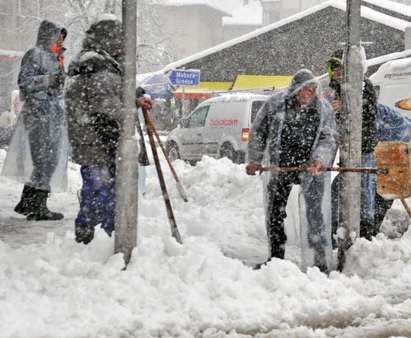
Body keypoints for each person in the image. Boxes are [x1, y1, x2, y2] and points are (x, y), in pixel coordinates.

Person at [65, 18, 152, 244]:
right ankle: (102, 236)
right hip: (100, 142)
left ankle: (89, 233)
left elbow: (108, 97)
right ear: (110, 40)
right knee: (103, 191)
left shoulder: (95, 64)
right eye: (120, 40)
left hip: (91, 140)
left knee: (96, 189)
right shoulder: (99, 67)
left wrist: (133, 96)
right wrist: (122, 135)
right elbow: (107, 108)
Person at [246, 69, 337, 272]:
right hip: (280, 167)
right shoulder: (275, 105)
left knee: (315, 214)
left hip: (311, 168)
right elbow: (259, 132)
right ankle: (276, 258)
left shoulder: (322, 109)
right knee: (275, 213)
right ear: (295, 90)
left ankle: (319, 260)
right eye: (305, 90)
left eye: (313, 90)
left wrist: (319, 160)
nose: (309, 94)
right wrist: (254, 159)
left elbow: (328, 138)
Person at [5, 20, 67, 221]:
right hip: (38, 115)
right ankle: (37, 206)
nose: (59, 40)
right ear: (47, 35)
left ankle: (28, 203)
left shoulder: (56, 57)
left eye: (61, 37)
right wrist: (49, 80)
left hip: (52, 116)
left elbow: (57, 89)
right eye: (57, 36)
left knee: (47, 160)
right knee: (44, 161)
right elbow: (25, 81)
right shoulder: (35, 54)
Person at [326, 49, 378, 243]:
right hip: (347, 151)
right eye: (332, 69)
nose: (335, 73)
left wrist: (345, 107)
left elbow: (364, 114)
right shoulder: (337, 89)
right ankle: (337, 229)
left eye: (339, 68)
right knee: (338, 191)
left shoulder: (363, 86)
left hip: (362, 149)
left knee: (364, 191)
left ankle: (366, 233)